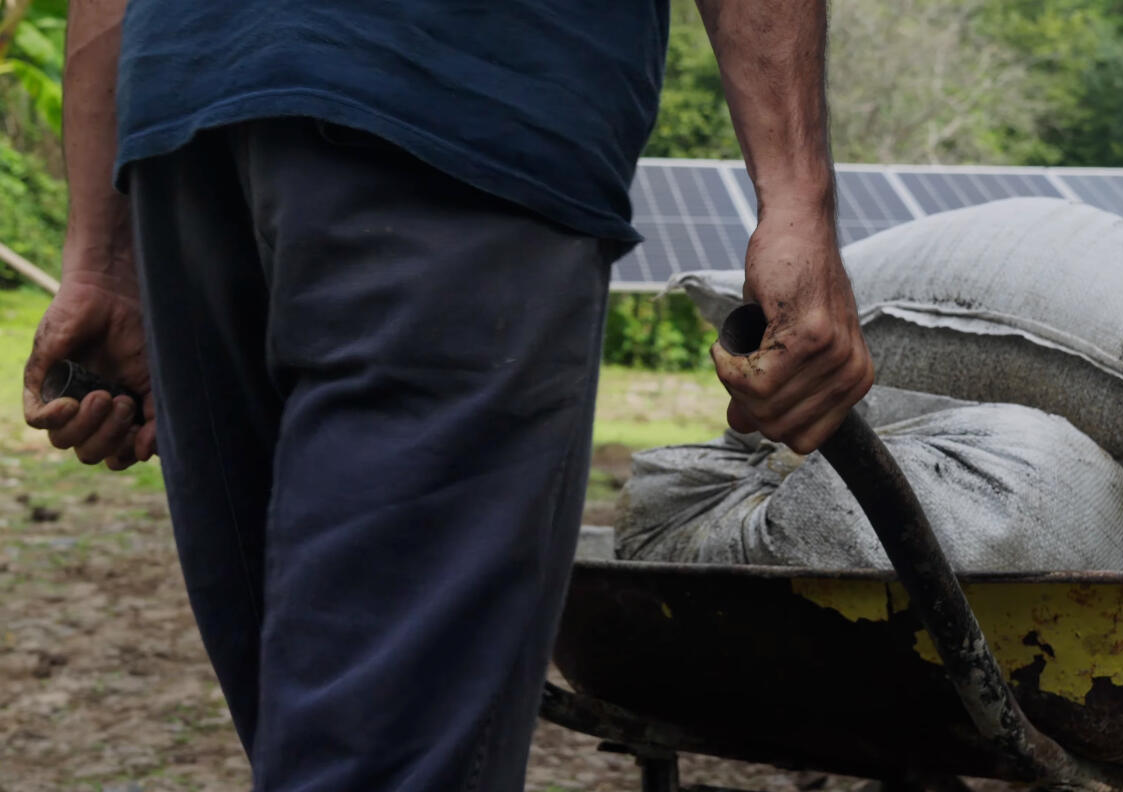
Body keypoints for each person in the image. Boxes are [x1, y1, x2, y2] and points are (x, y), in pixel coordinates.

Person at [21, 1, 874, 788]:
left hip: (189, 119)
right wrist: (798, 196)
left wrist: (100, 258)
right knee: (378, 747)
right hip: (460, 94)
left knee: (315, 725)